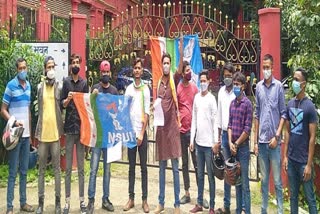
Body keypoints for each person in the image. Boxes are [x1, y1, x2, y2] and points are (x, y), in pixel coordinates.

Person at [1, 58, 34, 214]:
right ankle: (9, 206)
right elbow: (3, 110)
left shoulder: (28, 87)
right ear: (16, 70)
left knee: (24, 171)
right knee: (13, 171)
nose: (23, 70)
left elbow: (27, 110)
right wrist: (13, 121)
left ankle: (23, 202)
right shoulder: (10, 86)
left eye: (25, 68)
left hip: (26, 136)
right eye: (20, 68)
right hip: (15, 136)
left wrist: (31, 133)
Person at [283, 68, 318, 214]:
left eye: (297, 80)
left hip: (304, 162)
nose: (294, 82)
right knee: (293, 198)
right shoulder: (290, 104)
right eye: (293, 79)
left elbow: (312, 138)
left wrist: (309, 165)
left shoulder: (309, 107)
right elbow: (287, 132)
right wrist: (285, 156)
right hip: (291, 160)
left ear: (304, 83)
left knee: (310, 198)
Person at [254, 54, 285, 214]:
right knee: (264, 180)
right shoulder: (258, 87)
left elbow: (283, 114)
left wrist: (277, 136)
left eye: (268, 67)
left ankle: (280, 211)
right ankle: (263, 210)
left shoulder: (278, 87)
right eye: (263, 67)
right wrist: (256, 142)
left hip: (274, 143)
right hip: (262, 142)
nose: (265, 70)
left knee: (278, 182)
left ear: (273, 67)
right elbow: (257, 114)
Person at [86, 60, 118, 214]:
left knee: (107, 170)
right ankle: (91, 200)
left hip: (109, 136)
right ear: (100, 73)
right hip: (97, 136)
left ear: (110, 72)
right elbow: (89, 110)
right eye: (103, 72)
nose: (105, 74)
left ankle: (105, 199)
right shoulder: (95, 89)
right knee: (93, 169)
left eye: (107, 72)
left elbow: (117, 112)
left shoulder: (114, 91)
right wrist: (92, 97)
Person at [35, 56, 64, 214]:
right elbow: (40, 110)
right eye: (48, 67)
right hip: (43, 136)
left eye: (53, 66)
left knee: (57, 170)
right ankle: (40, 203)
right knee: (41, 171)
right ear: (44, 69)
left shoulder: (59, 87)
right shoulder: (40, 87)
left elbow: (61, 107)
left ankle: (58, 203)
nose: (51, 69)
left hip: (55, 135)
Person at [61, 54, 89, 214]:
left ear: (80, 64)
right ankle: (67, 202)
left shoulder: (84, 83)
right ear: (70, 66)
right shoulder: (66, 82)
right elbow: (62, 104)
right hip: (69, 130)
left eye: (78, 62)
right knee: (68, 168)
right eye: (73, 63)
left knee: (80, 167)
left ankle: (82, 201)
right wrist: (67, 100)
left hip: (81, 130)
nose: (75, 65)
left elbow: (87, 106)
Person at [153, 53, 181, 214]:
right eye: (164, 63)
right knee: (162, 168)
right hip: (161, 131)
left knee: (175, 169)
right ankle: (161, 202)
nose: (165, 65)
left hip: (172, 129)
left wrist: (181, 47)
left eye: (168, 63)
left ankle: (177, 204)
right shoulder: (157, 82)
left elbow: (180, 70)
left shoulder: (173, 79)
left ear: (170, 65)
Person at [123, 58, 150, 213]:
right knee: (131, 168)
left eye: (139, 68)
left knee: (144, 168)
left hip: (141, 134)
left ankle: (144, 200)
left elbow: (147, 113)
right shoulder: (129, 89)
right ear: (133, 70)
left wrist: (141, 133)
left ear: (142, 70)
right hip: (130, 134)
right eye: (135, 68)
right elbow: (125, 111)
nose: (137, 70)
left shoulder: (145, 89)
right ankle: (131, 198)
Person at [189, 71, 219, 214]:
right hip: (199, 144)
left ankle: (212, 206)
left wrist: (215, 142)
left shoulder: (212, 99)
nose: (202, 83)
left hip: (209, 145)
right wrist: (192, 140)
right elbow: (194, 119)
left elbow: (215, 122)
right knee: (199, 175)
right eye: (200, 81)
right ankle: (199, 203)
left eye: (204, 80)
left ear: (209, 81)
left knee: (210, 176)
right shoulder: (196, 98)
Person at [227, 72, 252, 214]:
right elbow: (229, 125)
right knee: (236, 183)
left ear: (243, 86)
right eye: (234, 84)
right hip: (233, 147)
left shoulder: (247, 104)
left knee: (245, 184)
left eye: (237, 84)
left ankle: (246, 211)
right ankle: (237, 210)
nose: (235, 87)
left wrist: (236, 144)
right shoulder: (232, 104)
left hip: (242, 149)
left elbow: (247, 129)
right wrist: (230, 143)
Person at [176, 61, 199, 205]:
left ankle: (200, 194)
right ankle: (187, 192)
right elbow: (176, 109)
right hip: (181, 132)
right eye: (187, 71)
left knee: (197, 163)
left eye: (190, 70)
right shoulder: (178, 89)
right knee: (184, 163)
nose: (189, 73)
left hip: (193, 132)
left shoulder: (195, 88)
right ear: (183, 73)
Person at [215, 62, 236, 214]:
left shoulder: (237, 92)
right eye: (226, 76)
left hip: (237, 136)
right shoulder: (221, 92)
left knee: (238, 170)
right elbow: (219, 116)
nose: (227, 78)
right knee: (227, 172)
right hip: (223, 135)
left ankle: (241, 205)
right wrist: (217, 139)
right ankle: (226, 205)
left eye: (230, 76)